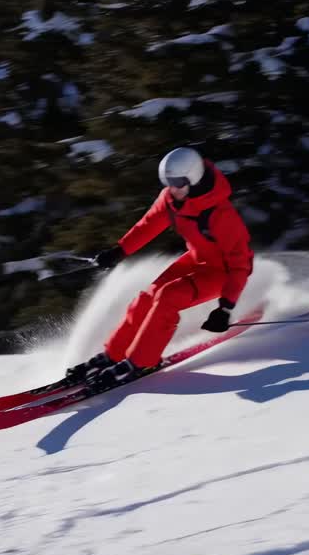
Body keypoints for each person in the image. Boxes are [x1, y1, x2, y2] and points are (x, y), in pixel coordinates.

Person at [69, 147, 254, 389]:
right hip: (197, 258)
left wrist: (225, 308)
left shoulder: (220, 214)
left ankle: (142, 362)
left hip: (223, 271)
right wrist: (119, 251)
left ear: (194, 178)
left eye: (177, 182)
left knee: (169, 296)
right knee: (148, 296)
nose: (172, 188)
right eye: (168, 182)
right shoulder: (171, 200)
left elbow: (241, 264)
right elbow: (149, 224)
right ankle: (113, 354)